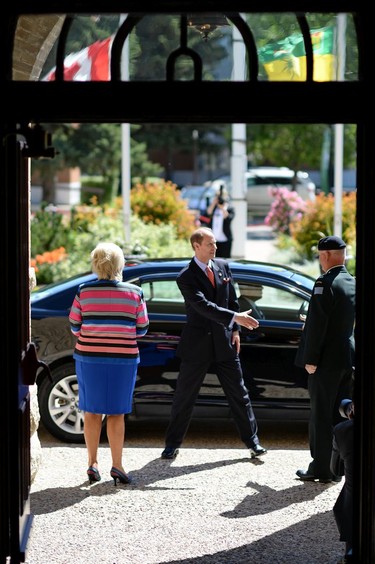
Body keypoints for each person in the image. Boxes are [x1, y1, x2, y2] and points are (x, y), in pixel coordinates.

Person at [161, 226, 267, 460]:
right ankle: (172, 444)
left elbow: (232, 300)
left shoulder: (222, 267)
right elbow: (202, 307)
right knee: (184, 397)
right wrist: (235, 318)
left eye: (215, 243)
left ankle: (253, 443)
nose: (215, 248)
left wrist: (236, 329)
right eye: (210, 244)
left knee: (240, 394)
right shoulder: (186, 277)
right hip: (197, 345)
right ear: (196, 246)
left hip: (225, 343)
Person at [69, 242, 149, 485]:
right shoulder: (135, 293)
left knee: (91, 411)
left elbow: (74, 325)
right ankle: (118, 465)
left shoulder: (84, 291)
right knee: (116, 413)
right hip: (122, 360)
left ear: (95, 264)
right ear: (119, 264)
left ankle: (92, 463)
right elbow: (142, 329)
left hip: (89, 358)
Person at [295, 235, 355, 483]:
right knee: (341, 414)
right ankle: (338, 467)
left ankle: (321, 469)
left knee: (321, 416)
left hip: (326, 362)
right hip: (346, 359)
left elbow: (318, 325)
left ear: (326, 255)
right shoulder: (352, 282)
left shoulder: (324, 283)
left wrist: (311, 358)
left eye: (320, 256)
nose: (320, 260)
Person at [331, 399, 354, 564]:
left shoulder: (342, 430)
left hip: (355, 494)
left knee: (342, 505)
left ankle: (351, 548)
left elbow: (336, 471)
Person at [204, 186, 235, 258]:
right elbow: (208, 213)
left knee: (225, 259)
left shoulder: (229, 208)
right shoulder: (213, 207)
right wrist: (214, 203)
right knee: (213, 259)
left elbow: (228, 218)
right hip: (213, 240)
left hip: (225, 240)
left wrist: (223, 208)